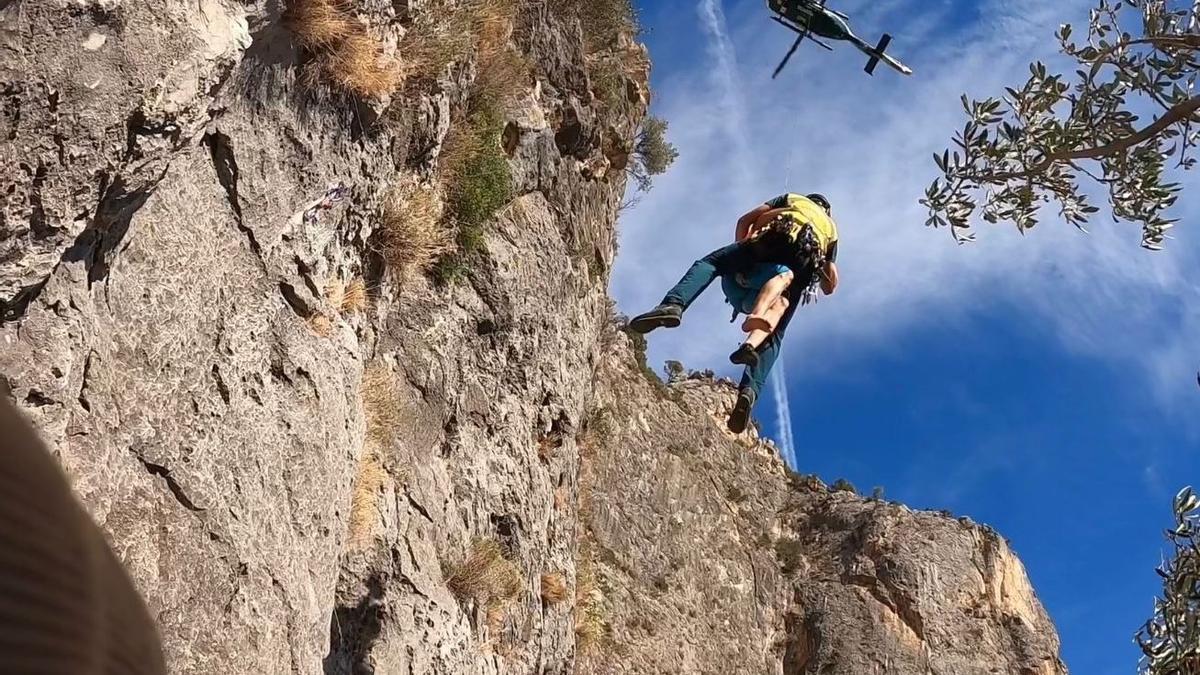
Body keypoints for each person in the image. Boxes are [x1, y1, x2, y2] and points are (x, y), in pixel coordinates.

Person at [629, 192, 840, 433]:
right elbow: (830, 285)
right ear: (827, 210)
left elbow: (744, 220)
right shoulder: (831, 229)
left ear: (810, 199)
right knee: (775, 334)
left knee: (711, 264)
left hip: (769, 243)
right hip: (803, 263)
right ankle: (749, 392)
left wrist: (741, 253)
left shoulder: (792, 198)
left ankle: (673, 305)